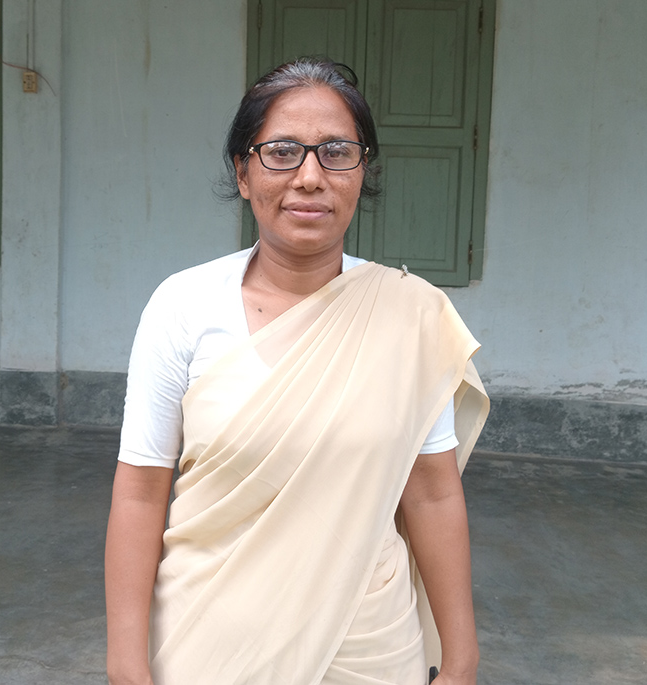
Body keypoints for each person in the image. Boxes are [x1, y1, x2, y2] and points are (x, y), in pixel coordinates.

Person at [104, 57, 489, 685]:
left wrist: (462, 657)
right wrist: (126, 663)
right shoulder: (184, 305)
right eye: (282, 152)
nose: (310, 177)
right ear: (243, 170)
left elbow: (433, 492)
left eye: (336, 152)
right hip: (210, 642)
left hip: (368, 644)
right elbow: (141, 490)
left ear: (362, 171)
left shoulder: (408, 314)